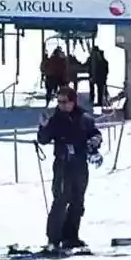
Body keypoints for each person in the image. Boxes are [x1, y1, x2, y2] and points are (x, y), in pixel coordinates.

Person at [36, 85, 103, 251]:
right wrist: (43, 127)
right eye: (59, 102)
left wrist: (94, 143)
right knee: (60, 200)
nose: (61, 105)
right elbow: (43, 139)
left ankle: (71, 236)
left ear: (73, 102)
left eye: (65, 102)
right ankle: (54, 238)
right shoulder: (56, 119)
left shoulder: (84, 118)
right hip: (62, 164)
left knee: (77, 201)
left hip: (80, 164)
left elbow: (95, 134)